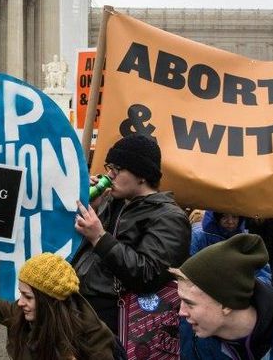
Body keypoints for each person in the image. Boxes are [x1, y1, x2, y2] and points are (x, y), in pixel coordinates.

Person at [71, 133, 191, 355]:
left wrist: (100, 237)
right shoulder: (111, 202)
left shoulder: (169, 217)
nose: (109, 175)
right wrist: (92, 207)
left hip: (120, 321)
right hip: (83, 310)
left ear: (142, 175)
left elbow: (149, 273)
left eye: (117, 169)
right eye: (109, 167)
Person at [0, 228, 116, 360]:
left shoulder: (92, 335)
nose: (20, 303)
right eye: (21, 294)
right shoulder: (19, 314)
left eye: (28, 297)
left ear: (50, 301)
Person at [190, 211, 272, 283]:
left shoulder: (247, 240)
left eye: (235, 216)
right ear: (216, 217)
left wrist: (248, 286)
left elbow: (263, 273)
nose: (230, 221)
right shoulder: (198, 236)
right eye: (224, 216)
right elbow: (190, 270)